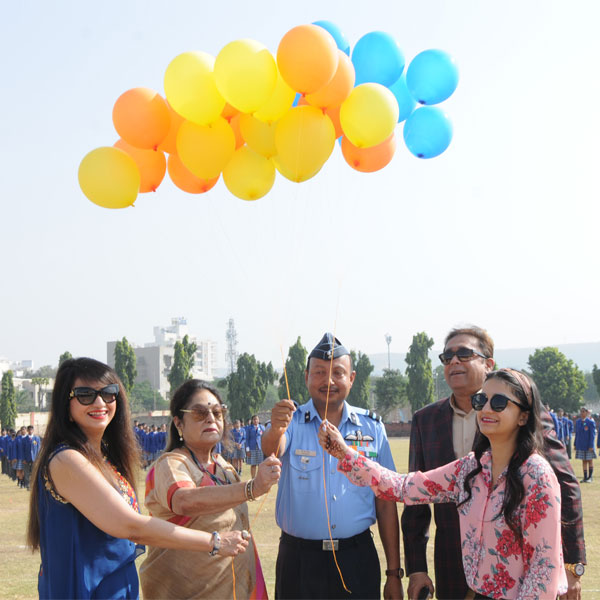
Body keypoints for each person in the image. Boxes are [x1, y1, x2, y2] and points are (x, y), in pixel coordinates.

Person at [320, 368, 568, 600]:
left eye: (499, 403)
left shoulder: (536, 475)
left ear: (524, 416)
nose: (486, 409)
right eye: (481, 400)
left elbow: (543, 570)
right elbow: (404, 487)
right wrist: (345, 453)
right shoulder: (472, 468)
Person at [27, 358, 249, 600]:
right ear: (65, 404)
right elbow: (130, 526)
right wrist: (214, 541)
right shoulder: (67, 459)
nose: (100, 403)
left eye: (108, 393)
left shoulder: (105, 458)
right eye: (85, 395)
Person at [402, 326, 586, 600]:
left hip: (515, 573)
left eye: (464, 354)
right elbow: (416, 500)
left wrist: (572, 565)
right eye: (447, 357)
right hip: (452, 565)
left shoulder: (523, 411)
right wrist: (417, 568)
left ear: (489, 363)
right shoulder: (425, 419)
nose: (454, 361)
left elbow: (566, 484)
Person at [261, 333, 402, 600]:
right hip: (299, 562)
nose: (328, 381)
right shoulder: (291, 422)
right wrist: (276, 428)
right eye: (319, 372)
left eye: (338, 373)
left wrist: (394, 574)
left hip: (357, 558)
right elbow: (271, 450)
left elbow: (385, 502)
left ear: (352, 378)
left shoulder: (372, 427)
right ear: (306, 377)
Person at [139, 379, 280, 599]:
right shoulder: (171, 463)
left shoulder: (223, 466)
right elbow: (184, 500)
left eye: (217, 412)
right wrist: (251, 488)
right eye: (199, 413)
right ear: (179, 423)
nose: (211, 418)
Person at [575, 407, 596, 483]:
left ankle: (590, 477)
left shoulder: (590, 422)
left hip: (588, 445)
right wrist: (575, 444)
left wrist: (591, 445)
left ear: (587, 413)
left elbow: (592, 435)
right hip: (581, 445)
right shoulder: (578, 422)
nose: (582, 413)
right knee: (583, 461)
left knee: (589, 460)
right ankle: (585, 477)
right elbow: (577, 433)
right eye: (581, 411)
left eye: (583, 411)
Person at [245, 414, 265, 478]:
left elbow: (264, 437)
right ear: (252, 420)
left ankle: (259, 478)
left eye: (257, 419)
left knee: (260, 464)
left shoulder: (262, 427)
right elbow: (247, 439)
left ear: (258, 420)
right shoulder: (249, 428)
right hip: (252, 448)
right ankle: (253, 478)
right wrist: (247, 450)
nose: (255, 421)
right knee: (253, 464)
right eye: (254, 419)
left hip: (260, 448)